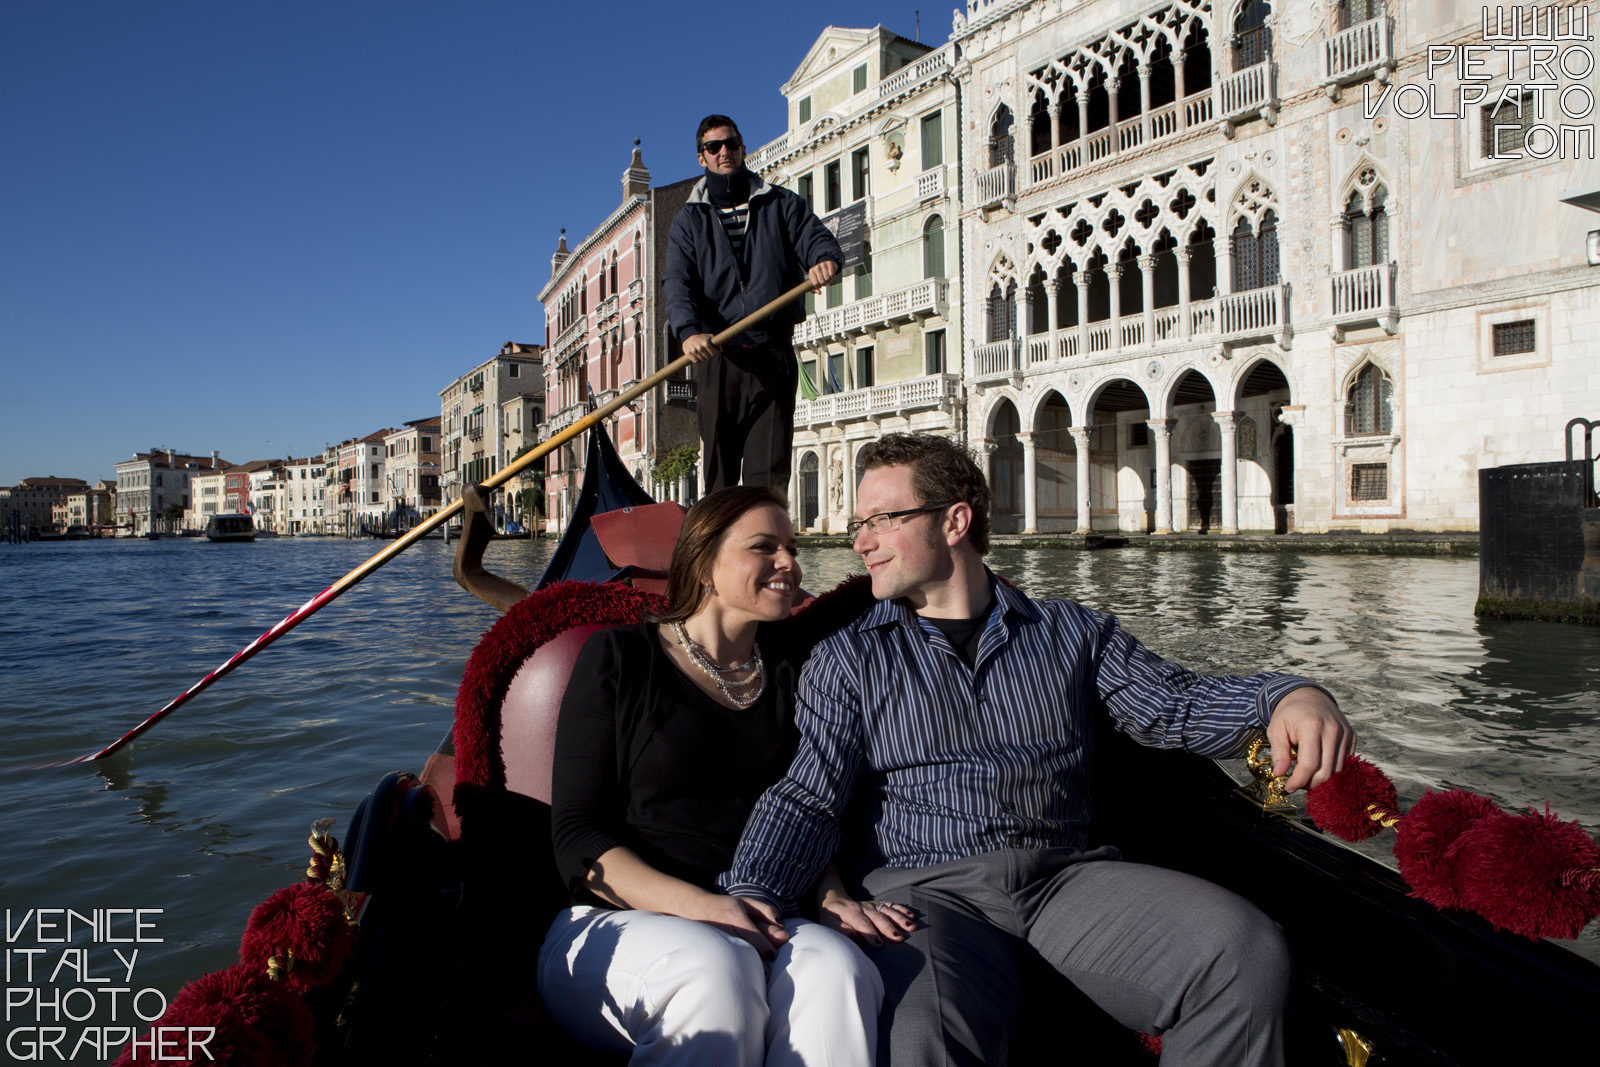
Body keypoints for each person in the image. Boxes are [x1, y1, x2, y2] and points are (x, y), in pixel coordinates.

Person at [721, 433, 1357, 1066]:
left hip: (1063, 880)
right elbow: (809, 794)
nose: (860, 542)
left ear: (954, 521)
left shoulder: (1072, 633)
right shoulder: (850, 657)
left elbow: (1175, 707)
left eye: (881, 520)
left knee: (1241, 950)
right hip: (924, 896)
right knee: (925, 1036)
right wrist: (750, 899)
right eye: (862, 524)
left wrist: (1287, 695)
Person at [538, 485, 913, 1066]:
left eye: (791, 547)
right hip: (618, 924)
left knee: (840, 969)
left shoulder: (795, 673)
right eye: (764, 548)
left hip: (765, 910)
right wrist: (705, 908)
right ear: (705, 563)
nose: (790, 563)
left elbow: (810, 810)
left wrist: (831, 894)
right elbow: (579, 839)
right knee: (715, 968)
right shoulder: (621, 659)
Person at [664, 114, 842, 492]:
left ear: (743, 149)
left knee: (769, 474)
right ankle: (717, 549)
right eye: (714, 147)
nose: (723, 151)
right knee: (719, 474)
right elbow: (678, 284)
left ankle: (765, 548)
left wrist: (823, 257)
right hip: (716, 357)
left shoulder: (780, 204)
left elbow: (814, 238)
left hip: (772, 353)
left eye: (731, 144)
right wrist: (689, 331)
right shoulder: (688, 222)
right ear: (702, 158)